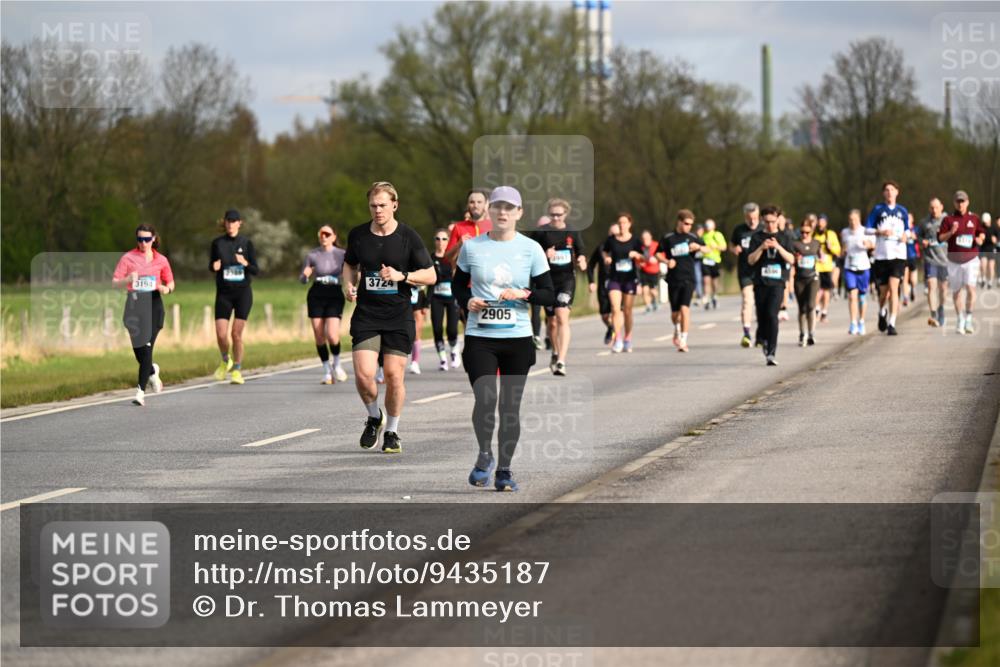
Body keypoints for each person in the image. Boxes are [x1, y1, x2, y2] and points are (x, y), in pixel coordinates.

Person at [453, 186, 555, 492]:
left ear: (519, 213)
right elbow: (457, 285)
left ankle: (505, 471)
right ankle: (485, 455)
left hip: (517, 338)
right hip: (480, 335)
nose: (502, 212)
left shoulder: (530, 249)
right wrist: (467, 301)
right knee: (486, 399)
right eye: (497, 206)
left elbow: (548, 293)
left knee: (509, 407)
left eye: (509, 208)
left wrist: (524, 293)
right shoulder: (472, 247)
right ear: (489, 211)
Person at [342, 182, 436, 454]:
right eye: (373, 205)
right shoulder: (358, 235)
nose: (378, 210)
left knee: (394, 376)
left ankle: (392, 431)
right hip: (367, 316)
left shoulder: (408, 237)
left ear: (394, 204)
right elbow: (349, 264)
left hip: (398, 316)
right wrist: (347, 285)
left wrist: (402, 276)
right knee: (363, 376)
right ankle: (374, 416)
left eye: (383, 205)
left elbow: (430, 275)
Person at [112, 225, 175, 406]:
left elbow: (170, 282)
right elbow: (115, 282)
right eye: (140, 239)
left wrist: (166, 288)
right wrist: (127, 280)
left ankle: (140, 392)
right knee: (139, 351)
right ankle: (152, 371)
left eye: (147, 239)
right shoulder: (128, 258)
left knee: (146, 347)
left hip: (154, 306)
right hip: (133, 305)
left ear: (153, 239)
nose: (143, 243)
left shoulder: (161, 260)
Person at [530, 198, 586, 376]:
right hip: (546, 281)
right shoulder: (541, 233)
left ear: (565, 214)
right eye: (552, 215)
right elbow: (530, 256)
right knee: (552, 322)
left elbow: (581, 251)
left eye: (559, 215)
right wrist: (545, 255)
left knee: (562, 317)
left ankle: (561, 360)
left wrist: (582, 260)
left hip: (566, 280)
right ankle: (554, 351)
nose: (555, 218)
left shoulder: (572, 232)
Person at [210, 209, 259, 384]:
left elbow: (256, 269)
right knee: (221, 334)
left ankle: (237, 369)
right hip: (224, 293)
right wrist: (214, 267)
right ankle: (226, 360)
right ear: (224, 223)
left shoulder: (246, 243)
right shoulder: (217, 244)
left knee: (236, 334)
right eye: (228, 221)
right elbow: (212, 265)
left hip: (242, 293)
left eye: (233, 221)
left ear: (240, 223)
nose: (230, 224)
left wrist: (245, 263)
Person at [747, 205, 795, 366]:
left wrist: (778, 247)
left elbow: (792, 259)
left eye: (773, 221)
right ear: (762, 220)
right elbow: (750, 260)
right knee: (762, 317)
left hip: (778, 283)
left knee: (772, 315)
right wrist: (762, 247)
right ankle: (764, 340)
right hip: (760, 283)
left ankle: (771, 353)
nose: (770, 225)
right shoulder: (756, 238)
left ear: (778, 219)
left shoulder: (785, 237)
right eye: (766, 222)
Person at [301, 225, 349, 384]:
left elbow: (351, 273)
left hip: (334, 293)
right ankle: (327, 370)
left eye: (327, 234)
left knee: (332, 334)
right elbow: (302, 279)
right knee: (319, 334)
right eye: (321, 233)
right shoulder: (312, 254)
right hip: (316, 293)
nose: (323, 236)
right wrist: (305, 276)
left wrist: (351, 282)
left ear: (334, 237)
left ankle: (337, 364)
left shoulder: (341, 254)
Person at [865, 180, 910, 336]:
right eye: (887, 190)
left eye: (892, 189)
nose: (889, 192)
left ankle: (892, 322)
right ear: (884, 193)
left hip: (898, 254)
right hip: (882, 255)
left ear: (897, 192)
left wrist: (906, 235)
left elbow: (908, 230)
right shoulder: (878, 210)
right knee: (884, 293)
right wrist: (880, 232)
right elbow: (867, 229)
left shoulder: (902, 211)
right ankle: (882, 310)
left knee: (894, 288)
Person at [938, 190, 986, 334]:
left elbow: (981, 232)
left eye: (963, 201)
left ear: (967, 202)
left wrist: (980, 239)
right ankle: (960, 319)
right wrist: (951, 232)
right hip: (954, 261)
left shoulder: (974, 218)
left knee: (971, 289)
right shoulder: (948, 220)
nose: (960, 204)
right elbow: (940, 238)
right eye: (958, 201)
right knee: (957, 291)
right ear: (954, 203)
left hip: (971, 259)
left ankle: (969, 319)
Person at [657, 209, 702, 352]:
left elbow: (708, 248)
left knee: (685, 309)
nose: (689, 227)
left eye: (691, 224)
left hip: (689, 278)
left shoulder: (692, 236)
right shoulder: (668, 237)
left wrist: (699, 247)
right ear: (679, 222)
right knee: (675, 314)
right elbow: (657, 253)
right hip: (673, 278)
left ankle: (683, 340)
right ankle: (676, 328)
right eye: (686, 223)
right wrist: (666, 261)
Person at [602, 213, 644, 353]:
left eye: (624, 223)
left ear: (629, 224)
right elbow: (605, 251)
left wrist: (637, 255)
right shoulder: (611, 240)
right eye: (619, 223)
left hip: (630, 279)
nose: (621, 225)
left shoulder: (635, 241)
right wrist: (607, 258)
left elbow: (644, 258)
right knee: (615, 308)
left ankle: (627, 338)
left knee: (627, 311)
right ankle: (617, 338)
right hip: (615, 278)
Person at [730, 202, 761, 347]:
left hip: (761, 271)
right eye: (750, 218)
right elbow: (731, 244)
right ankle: (747, 333)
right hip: (745, 271)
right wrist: (734, 248)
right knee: (748, 301)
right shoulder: (739, 230)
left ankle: (761, 333)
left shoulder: (763, 229)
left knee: (761, 303)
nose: (752, 221)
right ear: (745, 217)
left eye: (755, 217)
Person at [430, 228, 461, 371]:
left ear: (449, 241)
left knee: (452, 330)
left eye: (444, 239)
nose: (440, 242)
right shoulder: (430, 258)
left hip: (452, 297)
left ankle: (454, 350)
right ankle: (443, 359)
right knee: (437, 329)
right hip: (436, 298)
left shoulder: (452, 258)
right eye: (437, 238)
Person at [841, 209, 874, 335]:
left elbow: (873, 245)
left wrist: (868, 244)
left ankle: (861, 321)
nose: (852, 222)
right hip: (850, 267)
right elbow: (843, 247)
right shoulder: (844, 232)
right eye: (850, 219)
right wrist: (843, 251)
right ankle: (853, 322)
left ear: (859, 219)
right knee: (852, 295)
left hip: (863, 267)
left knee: (861, 297)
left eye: (854, 219)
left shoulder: (865, 231)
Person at [920, 198, 949, 327]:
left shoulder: (948, 220)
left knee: (943, 289)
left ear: (941, 207)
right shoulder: (924, 222)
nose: (934, 210)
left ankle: (941, 308)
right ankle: (933, 314)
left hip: (945, 260)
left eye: (936, 207)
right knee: (932, 286)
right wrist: (922, 241)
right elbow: (917, 236)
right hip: (930, 259)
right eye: (932, 207)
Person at [588, 222, 619, 345]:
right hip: (603, 284)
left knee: (616, 310)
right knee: (605, 315)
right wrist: (591, 281)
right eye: (612, 234)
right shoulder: (601, 247)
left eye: (616, 234)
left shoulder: (623, 246)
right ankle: (611, 328)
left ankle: (618, 337)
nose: (614, 236)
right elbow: (591, 265)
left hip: (618, 283)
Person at [792, 217, 821, 346]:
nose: (804, 235)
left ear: (811, 232)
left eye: (807, 232)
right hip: (799, 279)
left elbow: (821, 256)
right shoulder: (795, 244)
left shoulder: (816, 243)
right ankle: (802, 333)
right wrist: (795, 259)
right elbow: (790, 259)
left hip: (812, 278)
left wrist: (822, 258)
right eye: (802, 232)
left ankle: (811, 333)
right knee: (802, 308)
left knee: (811, 305)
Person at [814, 214, 841, 323]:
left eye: (822, 223)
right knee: (817, 290)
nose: (820, 226)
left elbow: (838, 251)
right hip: (816, 266)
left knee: (825, 291)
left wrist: (830, 247)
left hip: (827, 267)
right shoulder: (813, 235)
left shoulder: (831, 234)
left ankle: (824, 312)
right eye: (818, 224)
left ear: (825, 223)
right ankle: (816, 310)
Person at [700, 218, 726, 310]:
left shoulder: (717, 235)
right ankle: (706, 298)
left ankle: (714, 296)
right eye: (706, 225)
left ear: (713, 226)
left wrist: (716, 246)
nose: (707, 227)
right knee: (706, 280)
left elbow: (724, 247)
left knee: (714, 282)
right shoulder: (703, 236)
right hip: (705, 260)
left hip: (715, 260)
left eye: (709, 225)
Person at [409, 283, 430, 374]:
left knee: (417, 331)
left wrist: (426, 303)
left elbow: (431, 281)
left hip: (418, 294)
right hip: (402, 294)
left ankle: (415, 362)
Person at [638, 229, 661, 313]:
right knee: (644, 289)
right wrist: (640, 263)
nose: (645, 240)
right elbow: (637, 258)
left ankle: (655, 300)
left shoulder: (656, 245)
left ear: (650, 237)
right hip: (644, 271)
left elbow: (663, 255)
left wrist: (656, 259)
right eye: (643, 238)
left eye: (647, 238)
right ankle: (648, 306)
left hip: (654, 271)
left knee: (653, 290)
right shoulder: (641, 247)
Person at [903, 212, 920, 306]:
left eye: (909, 218)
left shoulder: (916, 229)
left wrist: (915, 237)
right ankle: (905, 296)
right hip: (903, 257)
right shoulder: (902, 229)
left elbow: (920, 239)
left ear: (912, 220)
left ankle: (913, 288)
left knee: (913, 279)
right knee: (905, 278)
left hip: (913, 256)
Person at [980, 212, 996, 289]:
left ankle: (990, 281)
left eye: (987, 221)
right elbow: (977, 237)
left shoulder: (994, 228)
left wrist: (996, 240)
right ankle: (983, 278)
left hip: (992, 249)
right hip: (983, 249)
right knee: (983, 265)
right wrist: (979, 238)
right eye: (984, 222)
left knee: (991, 267)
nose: (986, 223)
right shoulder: (981, 228)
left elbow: (998, 238)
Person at [692, 223, 705, 307]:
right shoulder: (693, 239)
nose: (699, 232)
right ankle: (699, 295)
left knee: (703, 279)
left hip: (704, 261)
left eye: (701, 230)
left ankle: (704, 295)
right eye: (698, 230)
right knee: (697, 278)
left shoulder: (704, 239)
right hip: (695, 261)